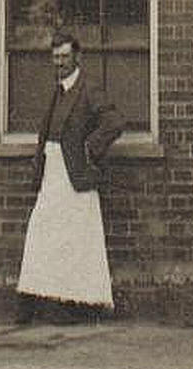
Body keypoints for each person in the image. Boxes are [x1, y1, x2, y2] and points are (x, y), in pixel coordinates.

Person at [15, 32, 125, 325]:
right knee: (44, 231)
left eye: (64, 57)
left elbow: (113, 122)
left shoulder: (89, 88)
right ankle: (43, 299)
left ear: (77, 57)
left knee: (75, 238)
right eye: (55, 58)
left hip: (75, 174)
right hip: (52, 174)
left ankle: (78, 303)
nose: (59, 63)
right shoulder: (58, 90)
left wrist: (90, 149)